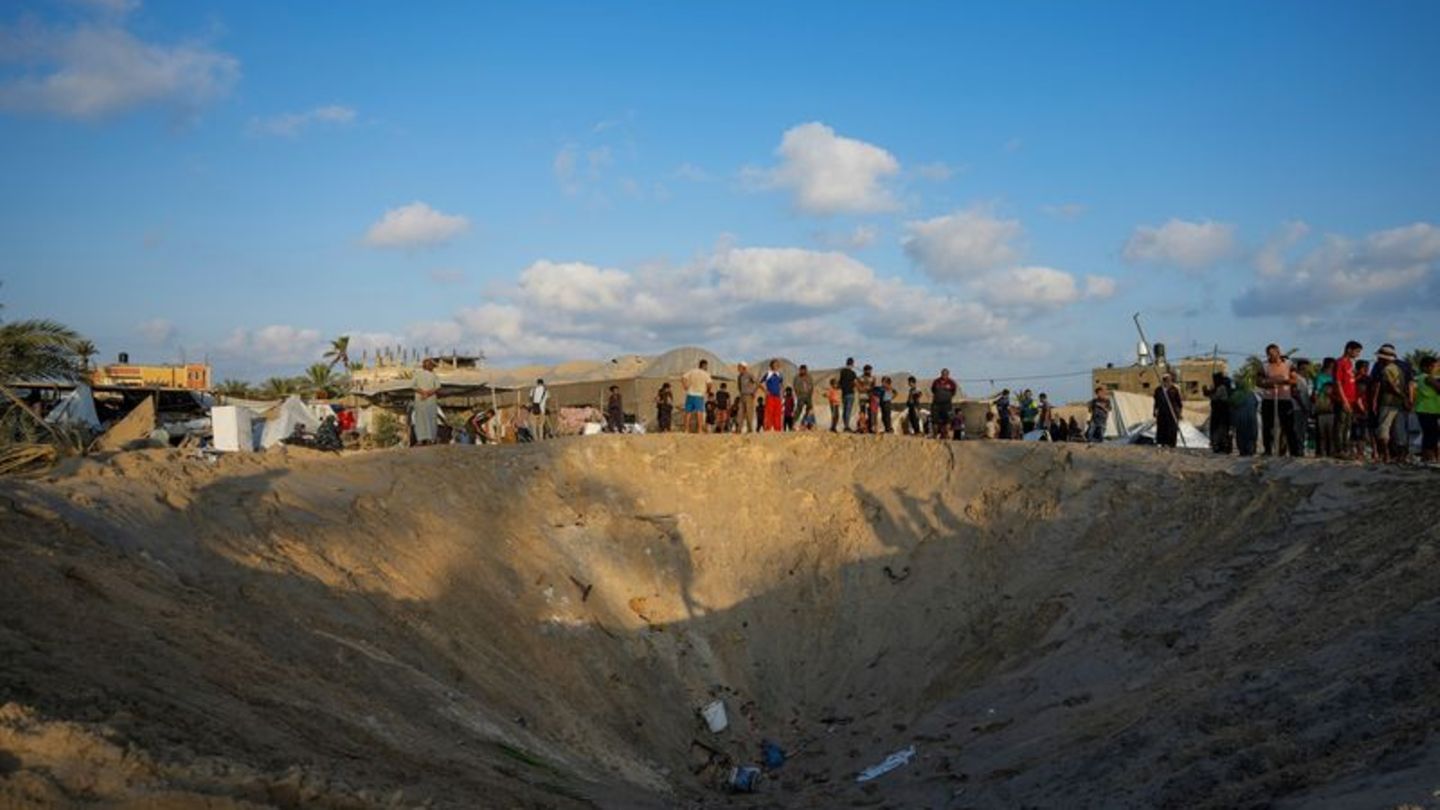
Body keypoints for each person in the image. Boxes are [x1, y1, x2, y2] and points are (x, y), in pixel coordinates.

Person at [1258, 344, 1301, 457]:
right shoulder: (1264, 365)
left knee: (1288, 426)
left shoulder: (1288, 364)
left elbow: (1294, 380)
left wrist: (1283, 381)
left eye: (1273, 354)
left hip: (1284, 399)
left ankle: (1293, 451)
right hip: (1269, 399)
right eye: (1269, 354)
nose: (1271, 356)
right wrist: (1269, 383)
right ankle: (1268, 450)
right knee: (1267, 426)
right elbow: (1258, 381)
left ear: (1278, 352)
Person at [1372, 345, 1410, 464]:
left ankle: (1387, 455)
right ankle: (1402, 456)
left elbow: (1391, 386)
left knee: (1384, 430)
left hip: (1388, 402)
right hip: (1399, 404)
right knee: (1400, 431)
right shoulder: (1402, 367)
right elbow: (1409, 385)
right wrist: (1407, 399)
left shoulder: (1386, 369)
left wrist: (1403, 397)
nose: (1378, 360)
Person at [1335, 340, 1362, 459]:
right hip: (1343, 399)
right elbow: (1338, 382)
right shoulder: (1340, 362)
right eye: (1356, 351)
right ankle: (1340, 450)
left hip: (1352, 399)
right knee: (1341, 426)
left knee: (1348, 426)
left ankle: (1346, 449)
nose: (1358, 354)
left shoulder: (1350, 364)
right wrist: (1344, 400)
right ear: (1349, 350)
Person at [1415, 356, 1440, 463]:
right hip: (1427, 410)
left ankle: (1427, 457)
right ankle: (1428, 457)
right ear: (1426, 367)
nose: (1436, 369)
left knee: (1430, 434)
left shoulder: (1420, 377)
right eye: (1434, 366)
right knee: (1432, 434)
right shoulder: (1427, 377)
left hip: (1427, 410)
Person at [412, 358, 441, 446]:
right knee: (430, 418)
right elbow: (437, 387)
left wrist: (423, 393)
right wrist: (428, 394)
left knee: (420, 419)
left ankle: (421, 439)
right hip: (430, 400)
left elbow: (413, 386)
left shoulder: (417, 374)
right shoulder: (434, 375)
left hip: (420, 399)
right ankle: (430, 439)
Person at [680, 359, 713, 434]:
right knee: (699, 412)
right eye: (706, 366)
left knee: (688, 412)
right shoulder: (706, 374)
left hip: (690, 394)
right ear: (704, 365)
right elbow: (710, 384)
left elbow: (683, 378)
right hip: (699, 395)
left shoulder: (692, 371)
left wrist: (685, 386)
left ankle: (686, 430)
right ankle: (699, 430)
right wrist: (708, 390)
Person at [1205, 372, 1233, 454]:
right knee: (1218, 429)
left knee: (1221, 430)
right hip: (1219, 412)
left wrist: (1208, 393)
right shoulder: (1218, 387)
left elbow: (1215, 397)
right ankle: (1219, 446)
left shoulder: (1221, 388)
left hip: (1221, 412)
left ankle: (1222, 447)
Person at [1231, 377, 1259, 457]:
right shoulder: (1251, 393)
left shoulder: (1236, 394)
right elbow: (1256, 403)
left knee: (1241, 435)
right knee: (1251, 434)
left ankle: (1243, 451)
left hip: (1240, 418)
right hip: (1251, 418)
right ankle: (1251, 450)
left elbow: (1231, 404)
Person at [1153, 373, 1183, 448]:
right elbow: (1156, 402)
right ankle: (1162, 443)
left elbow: (1179, 402)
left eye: (1169, 380)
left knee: (1172, 428)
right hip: (1162, 412)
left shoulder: (1174, 390)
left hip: (1172, 412)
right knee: (1162, 428)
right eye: (1165, 380)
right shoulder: (1158, 390)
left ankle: (1171, 444)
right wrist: (1155, 410)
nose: (1167, 382)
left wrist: (1179, 412)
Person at [1292, 359, 1313, 456]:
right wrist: (1303, 406)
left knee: (1303, 430)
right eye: (1306, 366)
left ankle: (1300, 450)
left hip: (1304, 409)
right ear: (1301, 367)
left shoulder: (1305, 379)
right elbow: (1295, 393)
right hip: (1297, 408)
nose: (1307, 369)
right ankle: (1297, 451)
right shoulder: (1295, 378)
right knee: (1297, 430)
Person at [930, 369, 958, 440]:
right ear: (941, 373)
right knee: (935, 420)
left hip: (947, 404)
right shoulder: (936, 381)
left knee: (947, 420)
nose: (944, 375)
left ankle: (945, 434)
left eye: (946, 374)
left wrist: (947, 396)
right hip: (936, 404)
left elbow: (953, 392)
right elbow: (933, 390)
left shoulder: (951, 382)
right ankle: (935, 435)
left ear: (948, 374)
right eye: (943, 373)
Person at [1314, 381, 1338, 459]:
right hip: (1321, 415)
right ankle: (1321, 452)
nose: (1328, 389)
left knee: (1330, 435)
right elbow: (1316, 404)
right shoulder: (1319, 395)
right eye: (1326, 388)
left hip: (1331, 415)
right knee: (1321, 435)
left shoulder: (1334, 396)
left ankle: (1330, 452)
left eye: (1329, 388)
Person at [761, 360, 785, 432]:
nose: (777, 366)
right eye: (775, 364)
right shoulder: (768, 374)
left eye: (778, 364)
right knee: (769, 412)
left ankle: (777, 429)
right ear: (771, 365)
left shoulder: (779, 374)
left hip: (777, 396)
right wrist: (765, 390)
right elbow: (760, 383)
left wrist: (782, 393)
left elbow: (781, 384)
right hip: (770, 396)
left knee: (778, 413)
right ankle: (767, 429)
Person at [736, 362, 758, 434]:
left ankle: (750, 430)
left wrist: (754, 391)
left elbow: (756, 383)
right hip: (742, 396)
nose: (738, 369)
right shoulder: (739, 376)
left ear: (744, 368)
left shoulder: (750, 375)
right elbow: (739, 386)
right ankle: (738, 429)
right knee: (740, 413)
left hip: (749, 396)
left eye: (739, 367)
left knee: (749, 413)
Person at [839, 358, 858, 432]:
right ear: (852, 364)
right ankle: (847, 426)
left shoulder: (842, 372)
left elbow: (840, 382)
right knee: (848, 410)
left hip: (844, 393)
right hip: (850, 393)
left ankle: (845, 425)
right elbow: (855, 383)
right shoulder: (853, 373)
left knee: (845, 410)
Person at [858, 365, 877, 434]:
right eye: (868, 370)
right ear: (865, 370)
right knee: (862, 412)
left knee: (870, 412)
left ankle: (870, 427)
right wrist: (864, 389)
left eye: (870, 370)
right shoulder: (860, 378)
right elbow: (858, 387)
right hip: (863, 396)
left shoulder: (873, 378)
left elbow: (874, 387)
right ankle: (862, 427)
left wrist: (871, 388)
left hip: (870, 397)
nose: (869, 372)